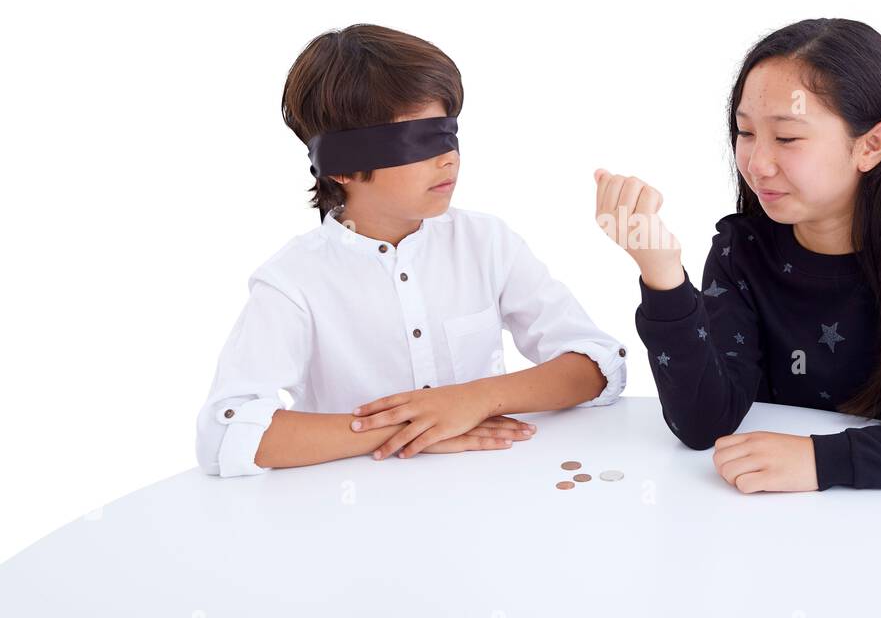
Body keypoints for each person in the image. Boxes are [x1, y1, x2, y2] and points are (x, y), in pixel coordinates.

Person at [593, 18, 881, 493]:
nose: (757, 164)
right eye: (746, 132)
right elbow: (701, 424)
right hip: (785, 527)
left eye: (788, 137)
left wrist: (824, 461)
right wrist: (663, 276)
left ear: (871, 145)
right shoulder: (743, 251)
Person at [196, 24, 626, 477]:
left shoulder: (487, 243)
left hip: (489, 494)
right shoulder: (294, 281)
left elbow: (597, 366)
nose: (449, 159)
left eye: (448, 135)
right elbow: (224, 434)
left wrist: (471, 399)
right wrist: (410, 428)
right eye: (418, 141)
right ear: (342, 166)